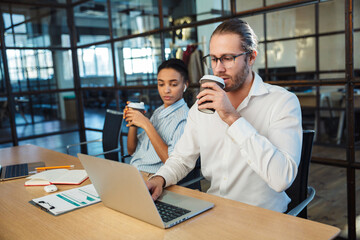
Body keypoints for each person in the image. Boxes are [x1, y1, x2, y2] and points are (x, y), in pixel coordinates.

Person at [146, 19, 303, 212]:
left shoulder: (282, 102)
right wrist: (159, 178)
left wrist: (232, 118)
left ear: (251, 57)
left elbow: (282, 179)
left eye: (228, 58)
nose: (218, 68)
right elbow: (181, 158)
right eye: (213, 58)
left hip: (264, 217)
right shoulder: (201, 106)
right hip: (214, 212)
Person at [124, 58, 190, 174]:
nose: (166, 90)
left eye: (173, 84)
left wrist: (146, 124)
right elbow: (131, 150)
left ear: (185, 85)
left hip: (154, 179)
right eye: (161, 84)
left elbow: (172, 164)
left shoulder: (185, 119)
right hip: (135, 172)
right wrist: (133, 121)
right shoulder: (159, 112)